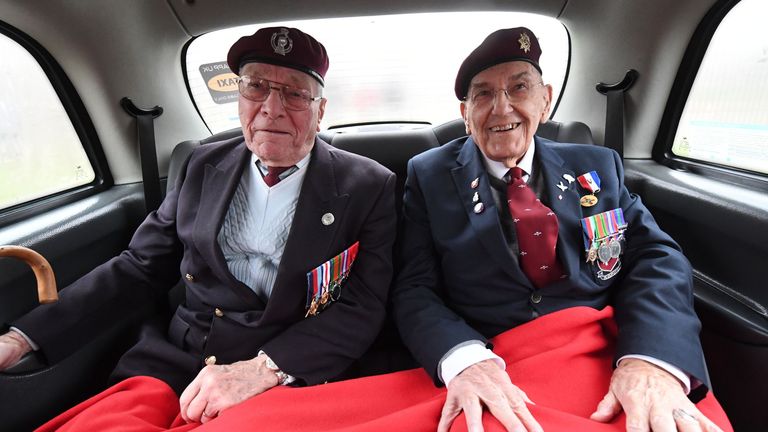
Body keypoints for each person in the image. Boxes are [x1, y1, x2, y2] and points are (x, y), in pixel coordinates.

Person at [0, 26, 396, 429]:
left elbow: (362, 305)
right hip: (178, 362)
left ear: (321, 109)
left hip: (289, 371)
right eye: (256, 87)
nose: (272, 108)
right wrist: (25, 337)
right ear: (240, 97)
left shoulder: (367, 185)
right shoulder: (201, 164)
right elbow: (140, 266)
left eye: (294, 94)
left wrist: (266, 370)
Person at [391, 27, 728, 431]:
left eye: (519, 88)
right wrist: (465, 359)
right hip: (492, 357)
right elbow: (413, 287)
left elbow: (657, 258)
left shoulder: (597, 166)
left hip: (602, 349)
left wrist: (650, 358)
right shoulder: (428, 176)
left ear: (545, 100)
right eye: (482, 94)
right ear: (465, 114)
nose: (501, 109)